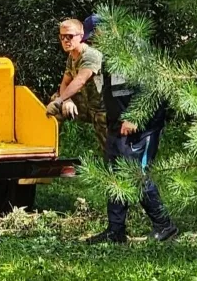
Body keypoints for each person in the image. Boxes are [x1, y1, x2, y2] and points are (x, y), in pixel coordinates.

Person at [83, 15, 179, 244]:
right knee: (115, 175)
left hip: (141, 126)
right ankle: (116, 231)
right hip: (118, 125)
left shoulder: (134, 49)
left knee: (137, 174)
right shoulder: (107, 56)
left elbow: (154, 87)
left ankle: (165, 226)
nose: (92, 43)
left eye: (94, 37)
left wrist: (136, 117)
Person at [46, 19, 108, 154]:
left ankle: (111, 167)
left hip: (102, 109)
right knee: (55, 103)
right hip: (86, 105)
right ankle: (47, 152)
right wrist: (66, 101)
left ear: (81, 36)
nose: (66, 40)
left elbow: (80, 80)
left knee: (110, 150)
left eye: (70, 36)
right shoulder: (72, 56)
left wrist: (60, 101)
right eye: (62, 37)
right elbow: (65, 82)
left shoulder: (90, 55)